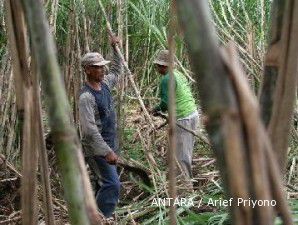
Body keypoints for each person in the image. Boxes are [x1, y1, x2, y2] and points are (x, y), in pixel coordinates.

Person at [78, 36, 122, 218]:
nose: (102, 70)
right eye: (97, 67)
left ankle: (92, 214)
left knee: (102, 182)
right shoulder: (86, 98)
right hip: (97, 149)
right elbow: (89, 131)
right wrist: (106, 151)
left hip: (110, 143)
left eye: (103, 66)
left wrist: (115, 48)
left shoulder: (104, 84)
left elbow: (117, 71)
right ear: (87, 70)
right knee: (112, 184)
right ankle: (102, 218)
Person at [152, 49, 198, 192]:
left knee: (181, 156)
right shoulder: (178, 74)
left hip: (183, 119)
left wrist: (156, 110)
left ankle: (185, 190)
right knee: (184, 152)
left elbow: (166, 102)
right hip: (193, 115)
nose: (157, 68)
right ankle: (181, 183)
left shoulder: (167, 79)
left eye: (158, 65)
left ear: (163, 66)